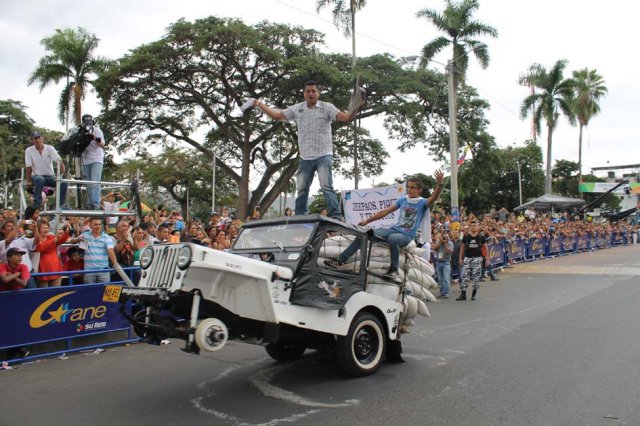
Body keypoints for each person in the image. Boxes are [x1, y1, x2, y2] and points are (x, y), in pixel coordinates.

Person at [254, 80, 365, 219]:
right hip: (305, 157)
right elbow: (277, 115)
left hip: (323, 154)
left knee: (326, 186)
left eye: (313, 91)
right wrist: (259, 104)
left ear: (318, 93)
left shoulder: (327, 107)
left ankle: (336, 215)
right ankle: (300, 215)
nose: (311, 93)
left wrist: (356, 105)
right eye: (308, 91)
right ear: (304, 93)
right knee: (301, 189)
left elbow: (346, 117)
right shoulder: (297, 108)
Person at [325, 171, 444, 281]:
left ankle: (394, 270)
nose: (409, 190)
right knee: (366, 234)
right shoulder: (403, 200)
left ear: (419, 190)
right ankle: (340, 261)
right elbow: (385, 212)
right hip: (393, 229)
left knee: (393, 238)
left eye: (413, 188)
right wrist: (367, 221)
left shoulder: (422, 202)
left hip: (406, 235)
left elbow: (434, 197)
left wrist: (439, 184)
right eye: (408, 187)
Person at [24, 131, 68, 209]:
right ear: (32, 140)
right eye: (35, 138)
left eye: (38, 137)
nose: (37, 140)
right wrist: (28, 180)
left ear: (42, 138)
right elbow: (28, 167)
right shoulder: (29, 150)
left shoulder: (49, 148)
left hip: (50, 177)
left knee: (63, 182)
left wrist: (62, 172)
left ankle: (59, 204)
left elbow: (58, 160)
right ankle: (37, 204)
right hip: (37, 176)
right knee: (40, 179)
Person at [73, 218, 118, 284]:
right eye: (96, 224)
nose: (98, 226)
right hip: (89, 270)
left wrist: (116, 265)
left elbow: (111, 252)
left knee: (104, 292)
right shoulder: (85, 235)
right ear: (90, 226)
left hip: (103, 270)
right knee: (89, 292)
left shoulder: (107, 237)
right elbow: (73, 241)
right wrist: (77, 240)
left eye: (99, 224)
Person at [80, 114, 106, 209]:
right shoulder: (80, 131)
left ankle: (95, 204)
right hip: (85, 159)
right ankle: (89, 203)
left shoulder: (97, 130)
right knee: (88, 183)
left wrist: (94, 138)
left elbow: (102, 144)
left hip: (97, 159)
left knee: (95, 182)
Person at [34, 219, 69, 287]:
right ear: (38, 229)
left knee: (56, 293)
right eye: (44, 228)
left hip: (55, 268)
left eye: (47, 228)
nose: (46, 230)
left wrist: (66, 232)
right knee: (44, 294)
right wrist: (54, 240)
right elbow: (42, 247)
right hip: (43, 270)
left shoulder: (51, 237)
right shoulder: (35, 239)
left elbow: (60, 241)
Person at [458, 220, 487, 301]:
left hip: (477, 258)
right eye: (472, 225)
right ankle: (463, 294)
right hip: (467, 258)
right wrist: (460, 258)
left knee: (476, 276)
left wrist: (487, 259)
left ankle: (474, 294)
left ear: (477, 227)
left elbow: (485, 247)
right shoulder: (466, 236)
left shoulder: (481, 237)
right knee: (464, 276)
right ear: (469, 227)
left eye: (475, 225)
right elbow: (462, 247)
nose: (473, 227)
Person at [432, 230, 453, 299]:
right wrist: (440, 241)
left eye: (446, 236)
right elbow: (434, 248)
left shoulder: (450, 243)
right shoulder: (439, 242)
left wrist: (444, 243)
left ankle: (446, 293)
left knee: (446, 279)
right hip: (439, 262)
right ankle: (442, 293)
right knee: (440, 279)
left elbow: (449, 251)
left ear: (448, 236)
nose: (445, 238)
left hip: (446, 262)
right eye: (443, 236)